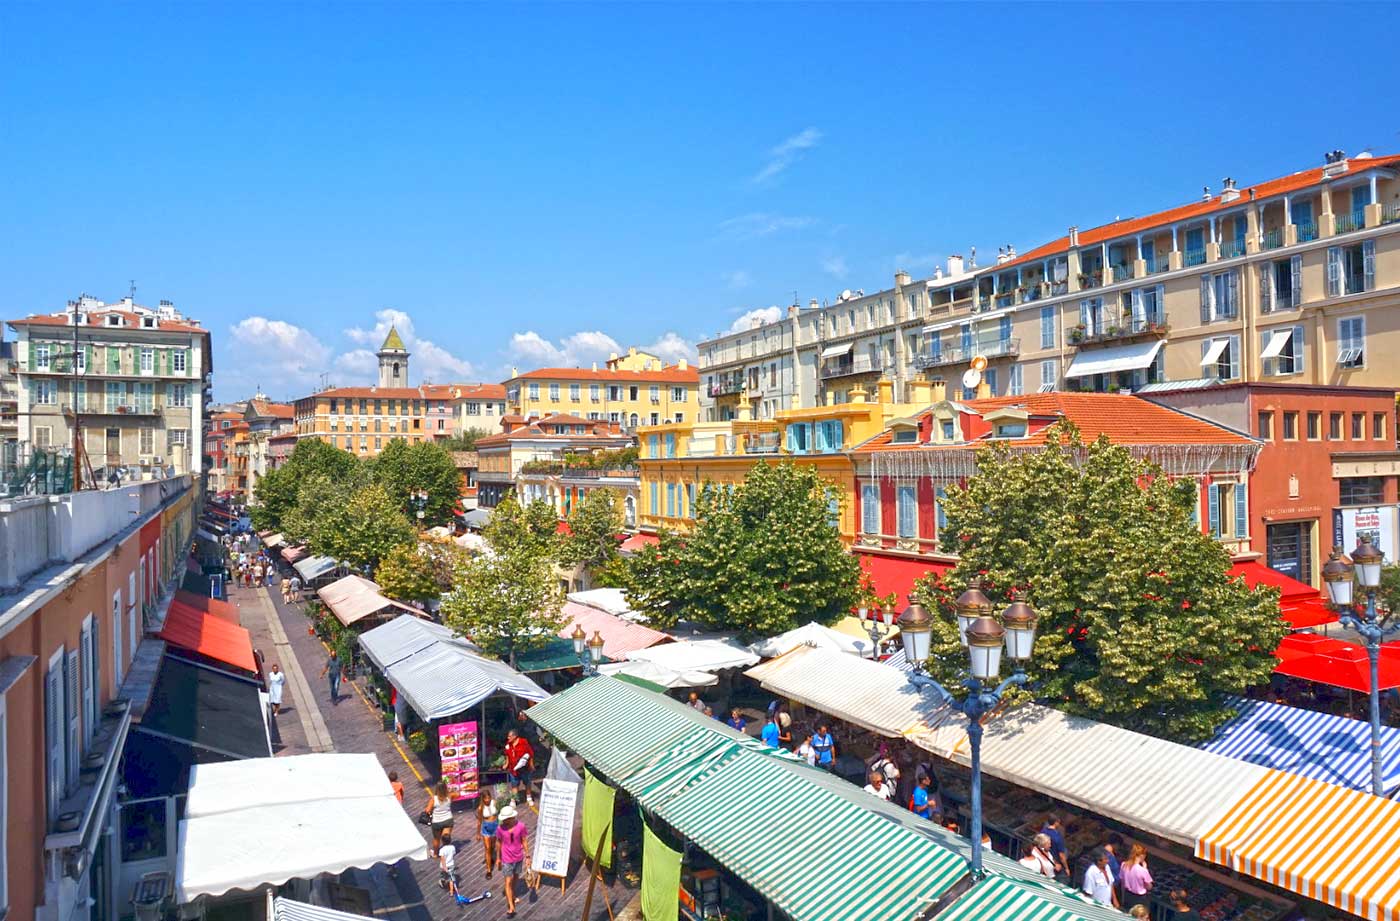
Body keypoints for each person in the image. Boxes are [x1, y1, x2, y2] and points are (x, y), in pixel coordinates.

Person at [496, 804, 530, 917]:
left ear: (511, 818)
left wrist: (528, 856)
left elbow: (524, 840)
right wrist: (498, 858)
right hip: (506, 859)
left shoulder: (521, 826)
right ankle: (511, 906)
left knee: (515, 878)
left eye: (506, 819)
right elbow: (499, 843)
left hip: (518, 857)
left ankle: (512, 894)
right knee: (508, 881)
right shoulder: (500, 829)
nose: (504, 822)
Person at [504, 729, 535, 806]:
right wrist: (506, 763)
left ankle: (529, 798)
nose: (508, 738)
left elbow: (530, 753)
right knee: (514, 784)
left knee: (527, 783)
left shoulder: (523, 742)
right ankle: (513, 800)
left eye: (509, 736)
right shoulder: (508, 744)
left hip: (524, 768)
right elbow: (507, 754)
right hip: (513, 768)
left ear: (515, 736)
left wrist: (531, 764)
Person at [423, 781, 454, 857]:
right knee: (446, 838)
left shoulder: (434, 799)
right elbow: (458, 794)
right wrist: (450, 790)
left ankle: (436, 854)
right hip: (448, 820)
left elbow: (427, 810)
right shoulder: (449, 796)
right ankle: (447, 853)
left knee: (436, 839)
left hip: (436, 822)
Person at [1120, 844, 1154, 911]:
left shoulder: (1124, 865)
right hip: (1140, 898)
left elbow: (1122, 882)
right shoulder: (1142, 870)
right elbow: (1149, 886)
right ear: (1142, 855)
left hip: (1128, 895)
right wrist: (1145, 868)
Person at [1039, 815, 1069, 880]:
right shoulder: (1058, 837)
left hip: (1042, 859)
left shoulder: (1043, 831)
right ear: (1056, 822)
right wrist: (1066, 868)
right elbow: (1061, 855)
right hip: (1053, 863)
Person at [478, 792, 499, 879]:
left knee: (492, 847)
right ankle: (489, 870)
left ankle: (491, 859)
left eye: (488, 798)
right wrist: (478, 833)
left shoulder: (495, 803)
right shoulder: (480, 808)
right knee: (487, 848)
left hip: (495, 826)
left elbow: (499, 813)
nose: (487, 800)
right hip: (486, 827)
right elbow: (479, 821)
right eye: (485, 799)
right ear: (483, 799)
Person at [437, 830, 458, 896]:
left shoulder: (442, 850)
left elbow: (443, 860)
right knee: (451, 879)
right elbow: (453, 854)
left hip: (444, 866)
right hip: (451, 864)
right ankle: (451, 892)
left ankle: (443, 882)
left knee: (443, 876)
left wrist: (444, 867)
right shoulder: (452, 847)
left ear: (442, 841)